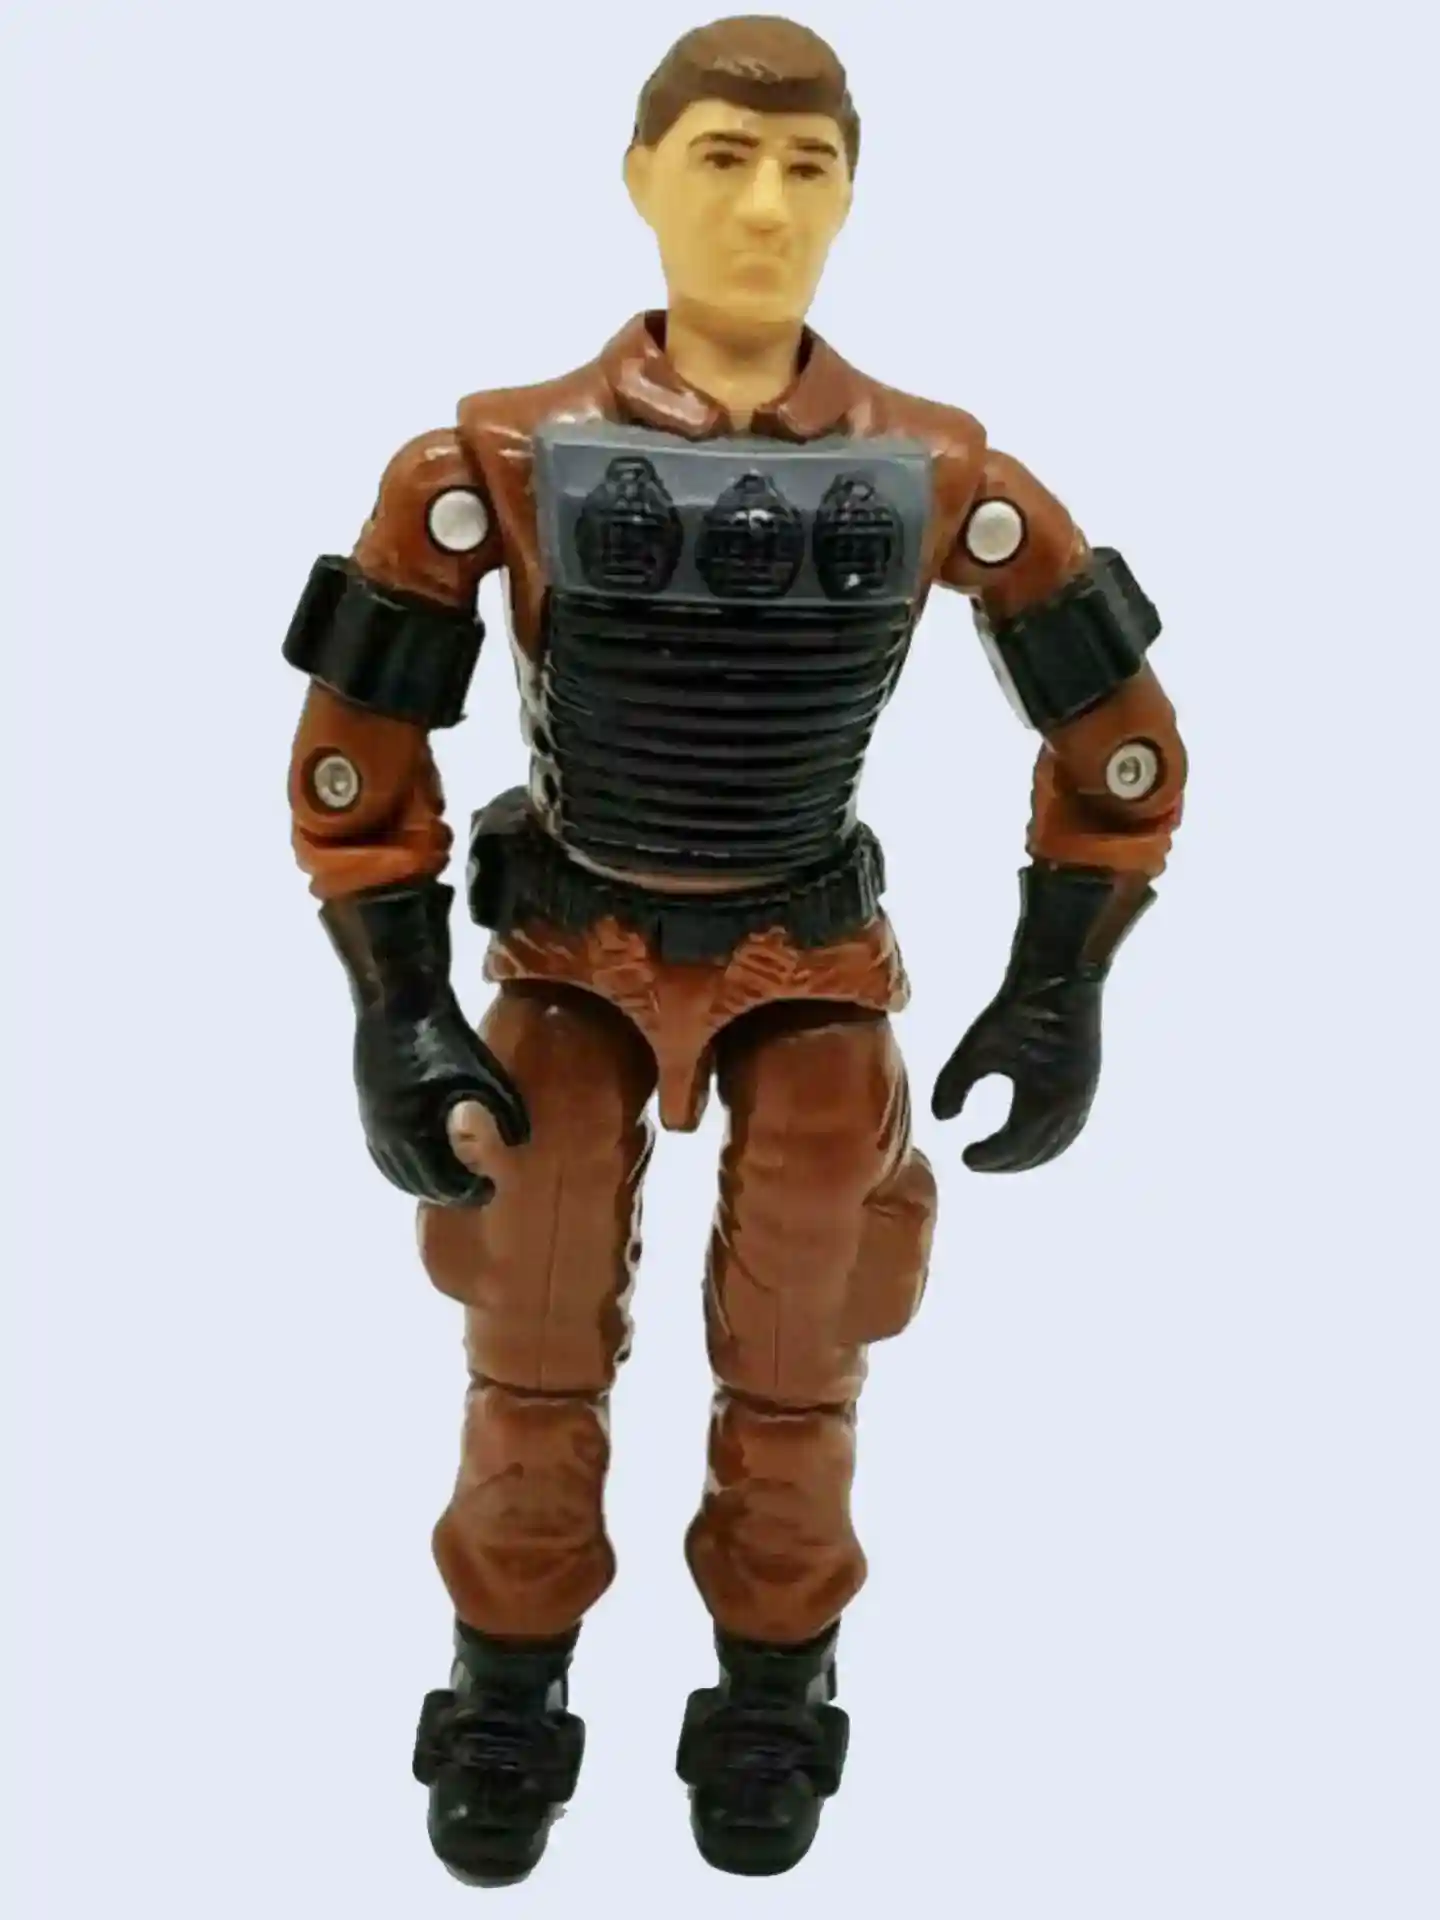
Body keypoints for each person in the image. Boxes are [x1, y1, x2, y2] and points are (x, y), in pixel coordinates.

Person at [283, 13, 1187, 1885]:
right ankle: (508, 1673)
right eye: (720, 157)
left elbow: (1116, 737)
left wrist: (1061, 980)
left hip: (807, 959)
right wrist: (397, 1003)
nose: (764, 208)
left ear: (853, 199)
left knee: (804, 1334)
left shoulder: (938, 466)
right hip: (568, 950)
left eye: (806, 168)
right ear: (640, 178)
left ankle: (776, 1677)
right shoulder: (497, 457)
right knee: (530, 1320)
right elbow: (361, 741)